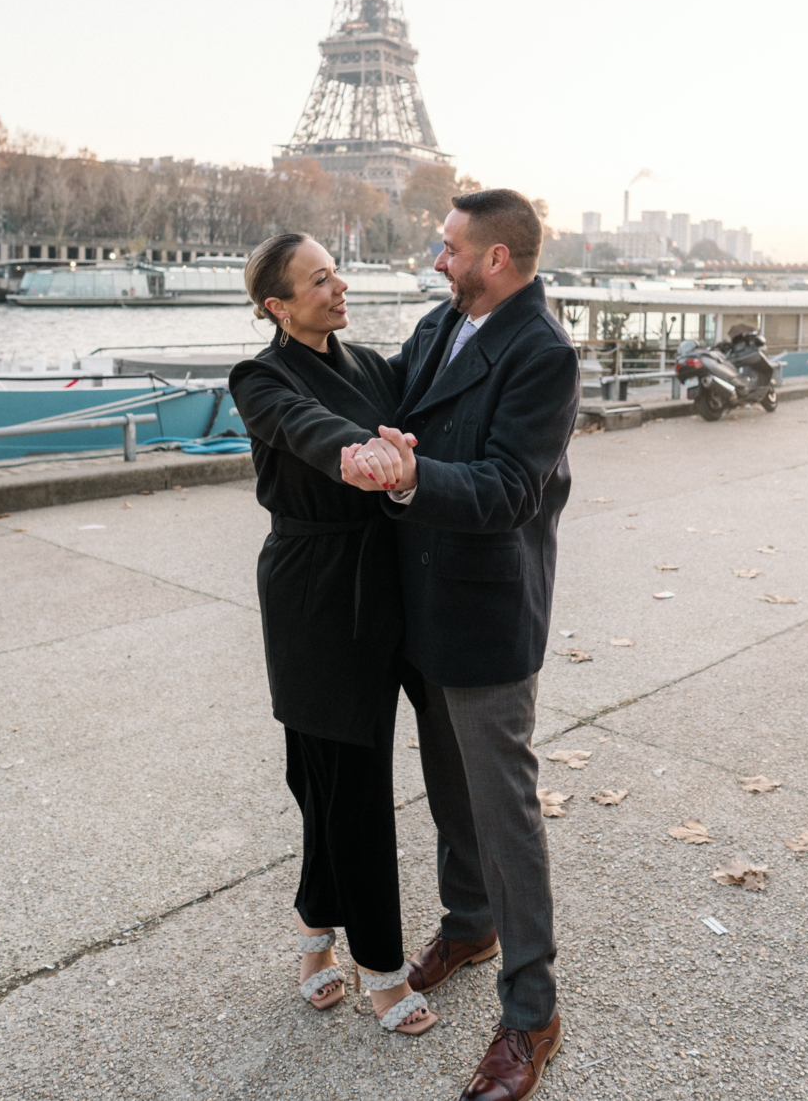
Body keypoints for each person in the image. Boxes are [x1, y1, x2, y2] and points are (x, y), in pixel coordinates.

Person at [340, 189, 580, 1101]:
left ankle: (532, 1014)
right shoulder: (450, 322)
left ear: (496, 260)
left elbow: (509, 489)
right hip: (421, 600)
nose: (437, 260)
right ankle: (470, 921)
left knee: (505, 811)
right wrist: (300, 356)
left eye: (450, 249)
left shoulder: (541, 353)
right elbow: (387, 387)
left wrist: (407, 475)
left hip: (483, 612)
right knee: (447, 783)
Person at [228, 232, 436, 1037]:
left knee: (327, 775)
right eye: (320, 279)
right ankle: (380, 964)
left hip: (378, 584)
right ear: (276, 306)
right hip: (312, 594)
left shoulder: (372, 366)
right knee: (341, 778)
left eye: (336, 271)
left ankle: (315, 932)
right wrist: (353, 455)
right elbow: (302, 425)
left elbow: (431, 394)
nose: (338, 286)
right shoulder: (260, 375)